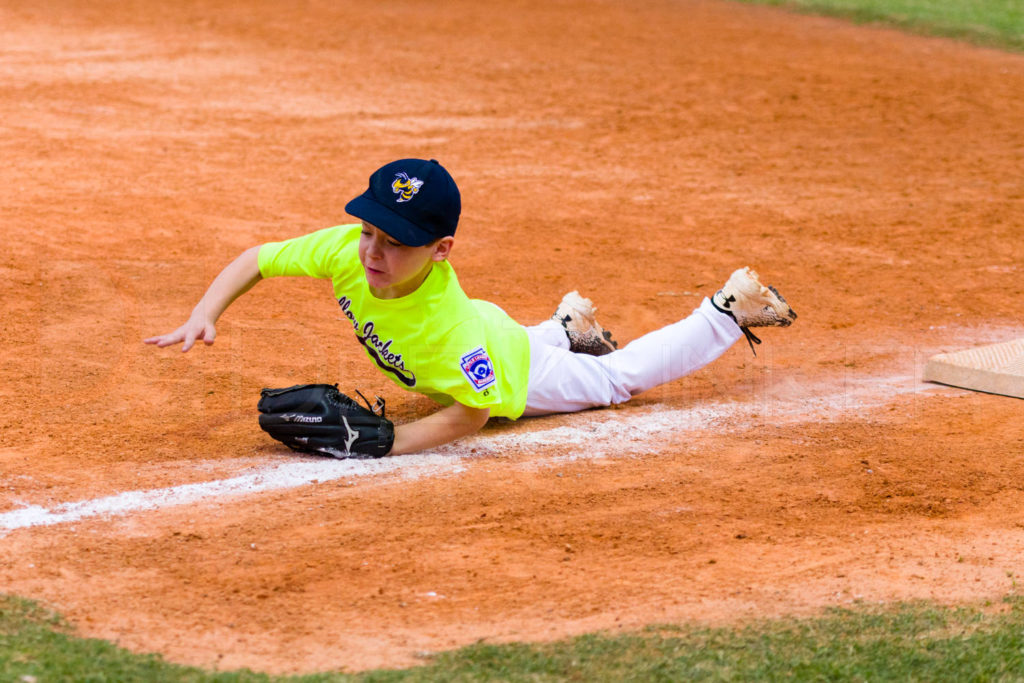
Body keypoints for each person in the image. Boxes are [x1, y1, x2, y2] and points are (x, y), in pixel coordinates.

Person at [145, 158, 796, 456]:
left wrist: (392, 442)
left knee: (615, 380)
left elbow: (474, 411)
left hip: (514, 369)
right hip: (495, 327)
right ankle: (565, 325)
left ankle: (725, 308)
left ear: (440, 249)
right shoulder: (347, 249)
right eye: (370, 229)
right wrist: (207, 310)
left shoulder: (453, 334)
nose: (372, 252)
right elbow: (259, 256)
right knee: (514, 335)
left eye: (395, 242)